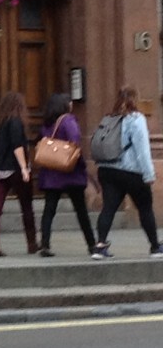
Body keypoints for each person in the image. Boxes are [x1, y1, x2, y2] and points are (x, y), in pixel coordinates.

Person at [91, 86, 161, 259]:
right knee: (145, 207)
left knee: (108, 207)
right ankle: (155, 246)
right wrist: (149, 174)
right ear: (135, 99)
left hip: (107, 170)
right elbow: (142, 150)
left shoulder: (109, 118)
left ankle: (100, 245)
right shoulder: (136, 119)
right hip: (130, 172)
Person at [37, 93, 97, 257]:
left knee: (49, 209)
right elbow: (75, 142)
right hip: (70, 173)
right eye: (69, 102)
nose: (71, 105)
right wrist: (82, 167)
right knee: (81, 211)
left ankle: (45, 244)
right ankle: (91, 244)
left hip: (51, 173)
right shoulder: (68, 120)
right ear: (65, 105)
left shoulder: (47, 124)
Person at [0, 91, 37, 257]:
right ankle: (32, 243)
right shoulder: (15, 121)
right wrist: (24, 168)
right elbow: (17, 146)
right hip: (13, 169)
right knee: (26, 206)